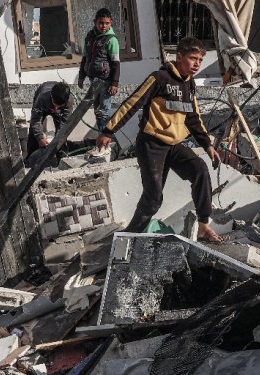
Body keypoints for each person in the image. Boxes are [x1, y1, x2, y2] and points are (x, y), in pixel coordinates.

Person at [96, 37, 224, 241]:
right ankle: (127, 237)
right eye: (193, 58)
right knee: (153, 198)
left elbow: (193, 118)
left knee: (200, 169)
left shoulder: (189, 84)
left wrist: (207, 145)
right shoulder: (159, 78)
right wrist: (108, 131)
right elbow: (132, 103)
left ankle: (203, 225)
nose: (197, 64)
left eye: (200, 59)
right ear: (179, 57)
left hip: (174, 145)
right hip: (151, 145)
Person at [78, 8, 120, 134]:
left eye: (107, 23)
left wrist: (114, 83)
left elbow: (116, 63)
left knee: (104, 111)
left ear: (111, 22)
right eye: (101, 23)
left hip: (105, 81)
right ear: (95, 22)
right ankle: (101, 139)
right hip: (93, 80)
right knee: (97, 110)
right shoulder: (90, 37)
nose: (104, 26)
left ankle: (106, 141)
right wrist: (81, 76)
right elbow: (85, 57)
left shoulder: (111, 40)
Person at [26, 81, 73, 159]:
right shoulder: (42, 98)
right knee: (33, 132)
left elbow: (64, 123)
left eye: (59, 106)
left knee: (62, 133)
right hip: (44, 104)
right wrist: (40, 137)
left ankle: (62, 156)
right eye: (55, 104)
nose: (56, 108)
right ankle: (30, 158)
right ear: (51, 97)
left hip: (59, 109)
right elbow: (36, 120)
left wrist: (58, 140)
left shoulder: (69, 101)